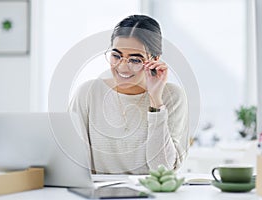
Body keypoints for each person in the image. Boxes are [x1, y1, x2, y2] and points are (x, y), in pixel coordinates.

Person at [69, 15, 189, 174]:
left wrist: (155, 101)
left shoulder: (172, 96)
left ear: (155, 59)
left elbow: (162, 168)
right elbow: (72, 162)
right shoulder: (88, 93)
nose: (123, 67)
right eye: (116, 56)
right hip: (100, 195)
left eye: (135, 60)